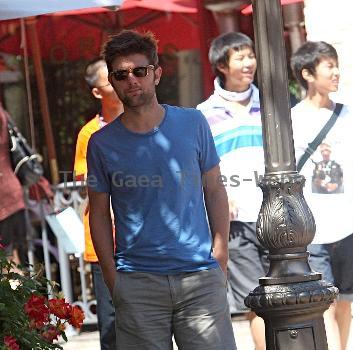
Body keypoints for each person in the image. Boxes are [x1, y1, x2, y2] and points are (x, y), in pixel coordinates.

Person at [87, 29, 236, 350]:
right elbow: (97, 214)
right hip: (137, 282)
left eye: (140, 71)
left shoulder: (193, 123)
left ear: (156, 74)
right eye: (121, 74)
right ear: (112, 82)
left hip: (199, 278)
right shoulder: (100, 143)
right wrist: (114, 280)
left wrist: (220, 255)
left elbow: (215, 190)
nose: (132, 80)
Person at [291, 40, 353, 350]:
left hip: (349, 220)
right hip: (313, 226)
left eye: (336, 65)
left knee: (347, 299)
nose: (336, 72)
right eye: (328, 66)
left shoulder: (351, 114)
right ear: (308, 74)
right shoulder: (293, 119)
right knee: (327, 301)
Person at [197, 32, 268, 350]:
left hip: (277, 215)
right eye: (240, 57)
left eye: (250, 55)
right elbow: (199, 169)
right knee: (257, 301)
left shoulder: (271, 105)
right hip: (236, 221)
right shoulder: (202, 114)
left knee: (285, 297)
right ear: (222, 65)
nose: (249, 63)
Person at [74, 58, 123, 350]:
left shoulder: (143, 124)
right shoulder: (89, 134)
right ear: (96, 92)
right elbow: (86, 181)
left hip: (143, 239)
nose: (121, 83)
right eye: (112, 79)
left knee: (147, 317)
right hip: (105, 242)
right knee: (111, 322)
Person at [0, 103, 27, 273]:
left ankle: (19, 299)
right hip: (9, 195)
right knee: (10, 259)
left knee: (8, 262)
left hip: (5, 200)